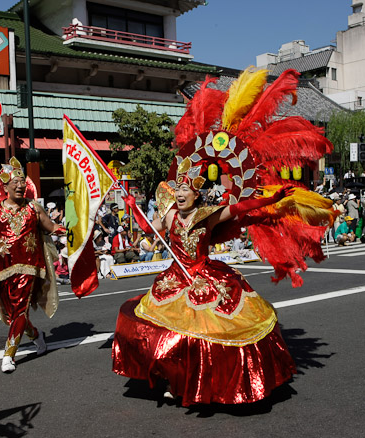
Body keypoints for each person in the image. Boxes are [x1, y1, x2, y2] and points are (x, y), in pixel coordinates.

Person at [112, 68, 335, 406]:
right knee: (163, 332)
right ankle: (173, 377)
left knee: (209, 334)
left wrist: (274, 198)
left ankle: (203, 382)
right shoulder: (170, 213)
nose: (182, 193)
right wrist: (132, 207)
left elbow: (242, 205)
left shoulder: (207, 216)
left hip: (204, 277)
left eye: (188, 190)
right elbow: (149, 232)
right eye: (179, 188)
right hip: (175, 279)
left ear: (197, 195)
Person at [0, 159, 65, 373]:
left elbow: (52, 227)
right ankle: (36, 335)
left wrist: (76, 230)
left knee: (19, 309)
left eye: (22, 182)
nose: (20, 185)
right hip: (3, 269)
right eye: (15, 182)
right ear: (5, 187)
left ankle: (8, 355)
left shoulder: (34, 208)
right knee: (14, 314)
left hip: (30, 267)